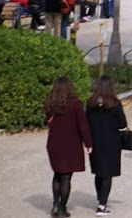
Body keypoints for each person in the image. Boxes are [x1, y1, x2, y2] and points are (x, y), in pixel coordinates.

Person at [45, 76, 90, 217]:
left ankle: (55, 204)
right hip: (70, 144)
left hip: (54, 143)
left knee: (57, 173)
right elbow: (82, 126)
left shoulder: (50, 103)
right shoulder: (75, 104)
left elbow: (48, 121)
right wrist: (88, 143)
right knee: (66, 177)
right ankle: (62, 208)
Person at [85, 76, 127, 216]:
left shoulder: (90, 103)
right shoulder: (114, 103)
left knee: (98, 171)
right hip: (111, 142)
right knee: (108, 173)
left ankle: (100, 198)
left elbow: (86, 122)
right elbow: (122, 123)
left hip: (95, 141)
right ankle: (102, 205)